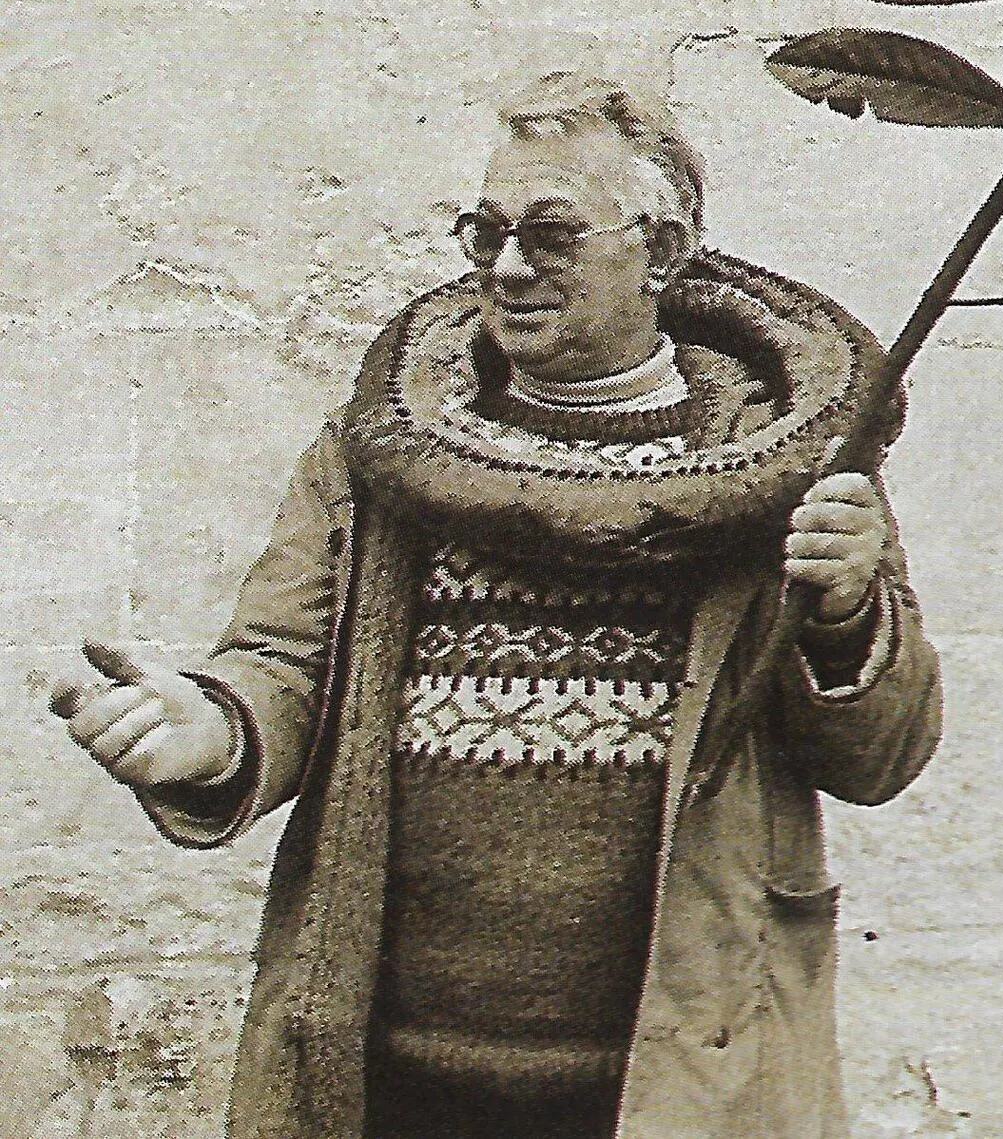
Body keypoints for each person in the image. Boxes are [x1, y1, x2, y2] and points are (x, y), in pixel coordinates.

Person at [51, 72, 942, 1139]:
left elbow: (879, 758)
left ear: (660, 252)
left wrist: (846, 613)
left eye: (552, 235)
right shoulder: (381, 453)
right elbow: (283, 663)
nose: (509, 267)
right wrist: (204, 729)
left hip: (674, 1078)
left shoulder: (787, 466)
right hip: (395, 1079)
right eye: (487, 233)